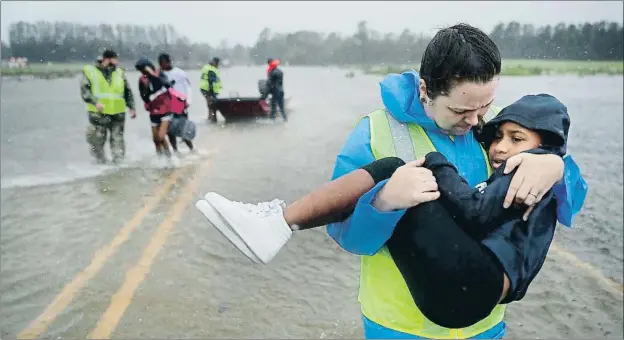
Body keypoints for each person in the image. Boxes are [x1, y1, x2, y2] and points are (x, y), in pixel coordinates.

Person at [197, 23, 588, 339]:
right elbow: (347, 237)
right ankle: (280, 223)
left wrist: (556, 168)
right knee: (386, 171)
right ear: (425, 90)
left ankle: (278, 222)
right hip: (399, 327)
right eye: (460, 109)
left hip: (483, 326)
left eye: (484, 106)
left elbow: (571, 204)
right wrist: (383, 205)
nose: (475, 121)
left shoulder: (503, 127)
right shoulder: (375, 132)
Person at [81, 49, 136, 164]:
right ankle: (100, 164)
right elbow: (85, 91)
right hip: (99, 114)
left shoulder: (120, 73)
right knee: (97, 140)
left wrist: (132, 107)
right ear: (107, 59)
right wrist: (95, 102)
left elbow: (127, 91)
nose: (117, 63)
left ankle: (119, 166)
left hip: (118, 113)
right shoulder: (91, 72)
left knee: (117, 141)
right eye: (115, 60)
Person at [136, 57, 175, 159]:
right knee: (156, 140)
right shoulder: (142, 80)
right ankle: (160, 160)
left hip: (166, 109)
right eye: (141, 71)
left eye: (143, 70)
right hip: (153, 111)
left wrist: (153, 75)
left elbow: (167, 85)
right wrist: (146, 103)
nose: (142, 72)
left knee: (161, 137)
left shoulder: (160, 74)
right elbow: (143, 95)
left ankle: (169, 159)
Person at [158, 53, 195, 154]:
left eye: (163, 63)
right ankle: (175, 150)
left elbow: (188, 87)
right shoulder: (160, 75)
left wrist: (188, 101)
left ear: (168, 62)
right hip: (167, 105)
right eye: (160, 64)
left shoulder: (180, 73)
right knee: (170, 130)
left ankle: (192, 149)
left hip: (180, 103)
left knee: (183, 127)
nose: (162, 65)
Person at [199, 57, 222, 123]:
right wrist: (212, 93)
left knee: (210, 104)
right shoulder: (211, 69)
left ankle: (210, 118)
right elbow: (211, 81)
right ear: (214, 62)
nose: (217, 64)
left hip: (205, 88)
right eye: (216, 63)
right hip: (208, 89)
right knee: (212, 104)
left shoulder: (208, 67)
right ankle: (213, 119)